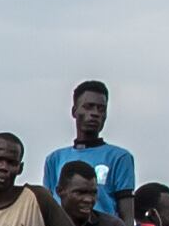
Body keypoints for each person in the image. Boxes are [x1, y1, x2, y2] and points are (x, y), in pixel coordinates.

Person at [40, 79, 137, 214]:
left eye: (101, 109)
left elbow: (126, 211)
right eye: (88, 107)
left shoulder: (119, 157)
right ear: (74, 111)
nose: (95, 113)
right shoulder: (54, 159)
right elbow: (47, 208)